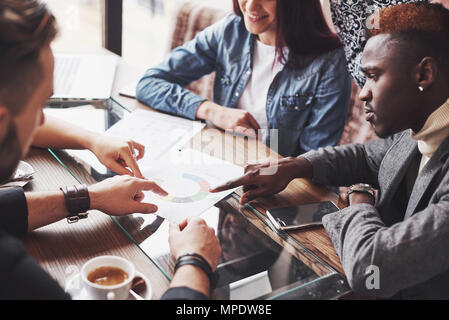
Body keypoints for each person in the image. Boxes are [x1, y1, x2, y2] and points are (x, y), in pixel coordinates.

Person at [212, 2, 449, 299]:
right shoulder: (416, 126)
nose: (363, 92)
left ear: (424, 73)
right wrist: (295, 166)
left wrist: (359, 199)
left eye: (373, 76)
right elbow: (365, 156)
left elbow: (370, 269)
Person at [0, 0, 220, 300]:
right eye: (40, 105)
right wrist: (195, 262)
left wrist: (91, 197)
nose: (41, 121)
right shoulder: (12, 272)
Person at [136, 0, 352, 157]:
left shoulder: (329, 63)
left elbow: (315, 165)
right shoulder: (230, 31)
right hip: (219, 164)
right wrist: (213, 111)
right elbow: (150, 83)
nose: (250, 6)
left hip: (278, 187)